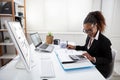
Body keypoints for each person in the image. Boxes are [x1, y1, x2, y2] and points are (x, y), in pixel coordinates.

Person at [67, 11, 112, 78]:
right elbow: (86, 47)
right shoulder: (89, 36)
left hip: (100, 69)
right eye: (86, 31)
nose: (88, 33)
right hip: (91, 65)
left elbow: (108, 59)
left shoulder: (104, 41)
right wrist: (75, 47)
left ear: (96, 25)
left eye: (90, 30)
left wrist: (93, 58)